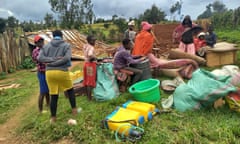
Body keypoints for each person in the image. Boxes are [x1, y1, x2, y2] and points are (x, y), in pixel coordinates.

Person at [37, 30, 77, 123]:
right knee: (70, 90)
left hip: (49, 73)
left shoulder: (46, 46)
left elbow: (40, 58)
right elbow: (67, 58)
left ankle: (53, 118)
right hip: (62, 71)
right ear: (62, 36)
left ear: (52, 36)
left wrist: (51, 61)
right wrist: (56, 61)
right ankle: (74, 110)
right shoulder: (66, 45)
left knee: (53, 95)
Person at [32, 35, 50, 113]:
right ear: (36, 44)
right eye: (39, 42)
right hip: (42, 73)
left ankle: (48, 104)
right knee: (42, 91)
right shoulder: (36, 51)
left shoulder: (45, 49)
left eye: (42, 41)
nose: (41, 43)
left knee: (48, 90)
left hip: (47, 72)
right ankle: (40, 110)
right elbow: (39, 60)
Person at [83, 35, 97, 101]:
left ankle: (87, 95)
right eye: (93, 41)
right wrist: (95, 58)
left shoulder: (85, 46)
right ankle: (89, 98)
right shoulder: (91, 47)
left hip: (86, 64)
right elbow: (90, 55)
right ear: (89, 41)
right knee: (90, 81)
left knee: (86, 81)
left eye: (95, 40)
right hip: (90, 65)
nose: (94, 42)